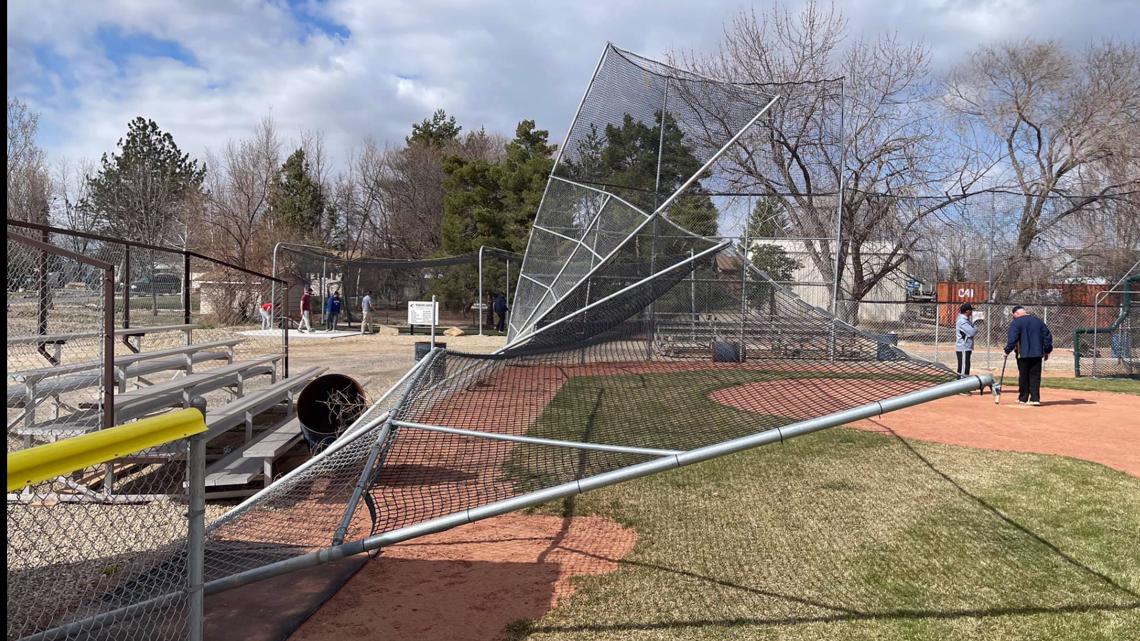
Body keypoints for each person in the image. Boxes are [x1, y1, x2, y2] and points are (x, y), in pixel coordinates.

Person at [1004, 305, 1053, 406]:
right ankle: (1035, 398)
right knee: (1035, 376)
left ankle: (1023, 398)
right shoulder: (1038, 321)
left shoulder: (1016, 323)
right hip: (1037, 353)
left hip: (1023, 353)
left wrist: (1007, 350)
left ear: (1016, 314)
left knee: (1024, 375)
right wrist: (1047, 350)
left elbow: (1012, 338)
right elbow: (1047, 336)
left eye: (1014, 316)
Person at [955, 303, 979, 390]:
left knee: (966, 366)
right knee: (963, 367)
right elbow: (971, 332)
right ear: (967, 311)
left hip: (966, 347)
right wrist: (975, 327)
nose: (972, 311)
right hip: (963, 347)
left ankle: (964, 386)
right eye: (971, 310)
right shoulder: (962, 321)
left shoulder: (966, 320)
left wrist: (973, 327)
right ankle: (961, 387)